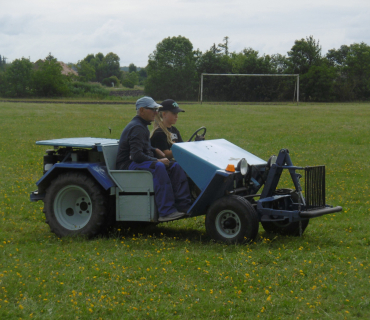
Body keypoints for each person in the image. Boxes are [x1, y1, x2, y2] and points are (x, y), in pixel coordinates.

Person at [116, 96, 191, 222]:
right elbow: (136, 156)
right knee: (159, 167)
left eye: (156, 109)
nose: (156, 113)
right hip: (128, 164)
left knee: (175, 166)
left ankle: (184, 206)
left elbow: (143, 147)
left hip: (136, 161)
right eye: (152, 109)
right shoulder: (137, 128)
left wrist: (154, 149)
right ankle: (166, 212)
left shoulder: (142, 125)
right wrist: (156, 160)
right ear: (141, 110)